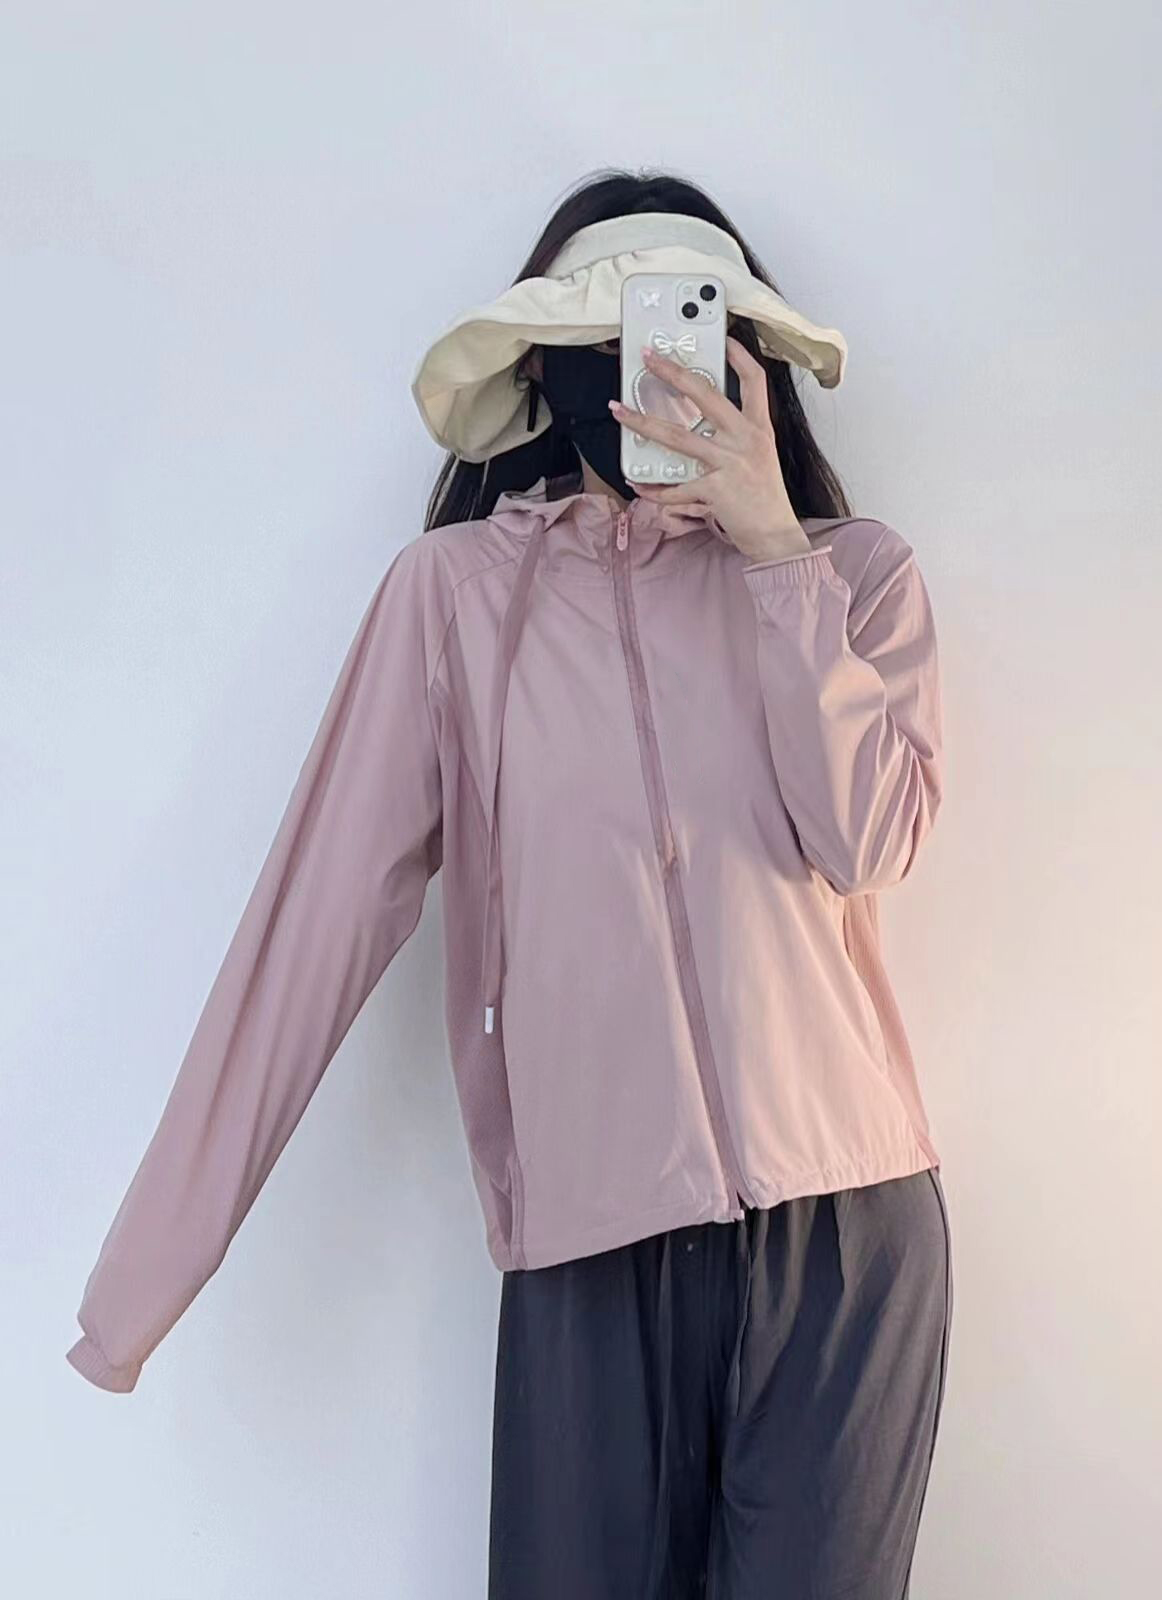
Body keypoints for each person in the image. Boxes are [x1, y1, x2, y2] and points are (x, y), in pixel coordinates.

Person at [66, 168, 954, 1599]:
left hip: (846, 1243)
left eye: (679, 333)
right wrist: (139, 1288)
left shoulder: (854, 579)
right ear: (544, 368)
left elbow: (874, 844)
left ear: (746, 360)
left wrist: (774, 550)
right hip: (588, 1257)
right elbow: (306, 935)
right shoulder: (453, 602)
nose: (643, 378)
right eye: (602, 342)